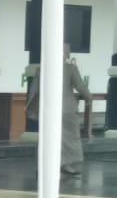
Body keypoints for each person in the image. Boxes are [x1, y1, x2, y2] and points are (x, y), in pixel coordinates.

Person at [27, 42, 92, 175]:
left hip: (48, 109)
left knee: (48, 138)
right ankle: (65, 164)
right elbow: (80, 86)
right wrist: (89, 98)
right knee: (69, 138)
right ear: (66, 54)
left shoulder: (43, 69)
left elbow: (34, 90)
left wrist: (32, 106)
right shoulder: (70, 68)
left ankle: (45, 166)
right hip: (67, 110)